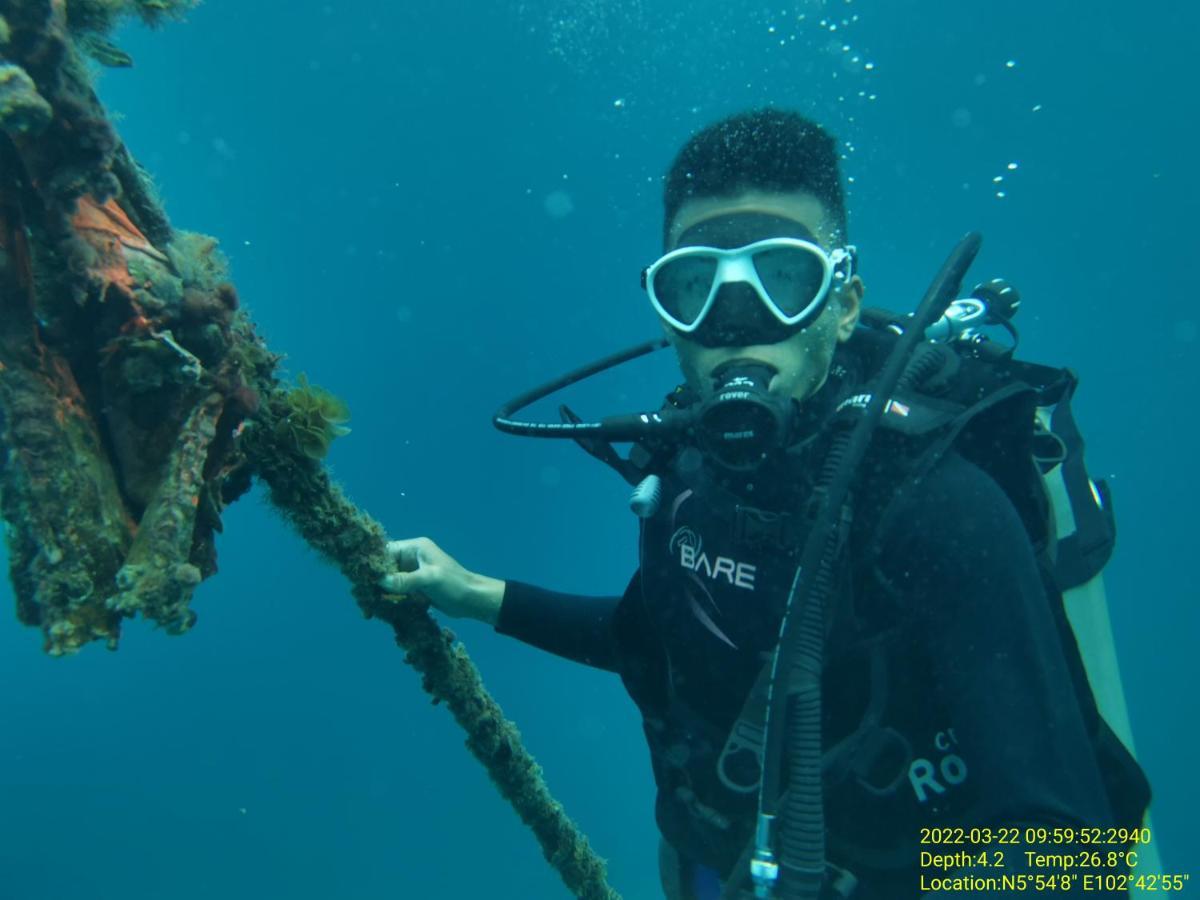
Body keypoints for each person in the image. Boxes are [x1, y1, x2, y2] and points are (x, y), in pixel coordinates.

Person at [380, 109, 1148, 899]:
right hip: (716, 864)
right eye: (695, 287)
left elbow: (1067, 843)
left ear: (843, 303)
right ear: (664, 313)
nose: (736, 325)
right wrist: (474, 594)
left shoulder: (941, 509)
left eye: (782, 279)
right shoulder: (686, 476)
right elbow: (648, 643)